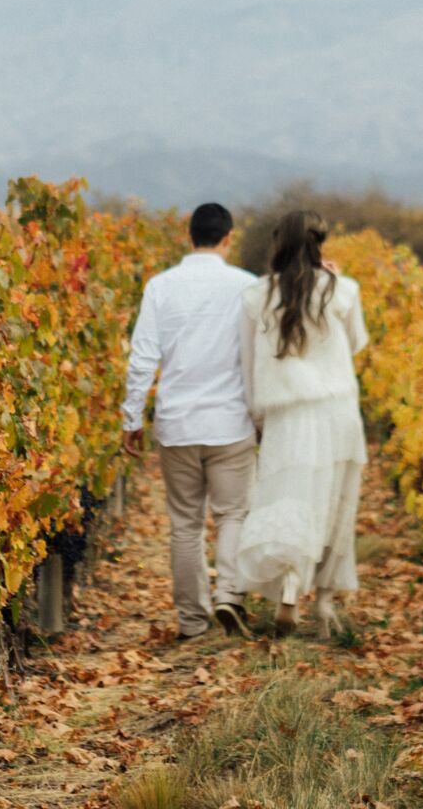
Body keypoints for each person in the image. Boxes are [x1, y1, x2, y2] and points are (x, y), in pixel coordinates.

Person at [120, 202, 259, 640]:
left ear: (188, 236)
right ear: (228, 238)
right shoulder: (247, 287)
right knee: (233, 514)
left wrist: (132, 418)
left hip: (177, 425)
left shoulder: (161, 287)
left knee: (186, 524)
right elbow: (259, 360)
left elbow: (142, 357)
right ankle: (229, 596)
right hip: (230, 423)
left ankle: (193, 623)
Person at [233, 210, 369, 637]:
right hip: (338, 410)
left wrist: (256, 415)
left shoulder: (258, 295)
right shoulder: (342, 290)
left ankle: (291, 584)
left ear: (280, 244)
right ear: (318, 244)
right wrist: (334, 284)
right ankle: (325, 605)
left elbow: (248, 362)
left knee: (289, 496)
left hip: (287, 415)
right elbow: (358, 343)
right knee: (336, 502)